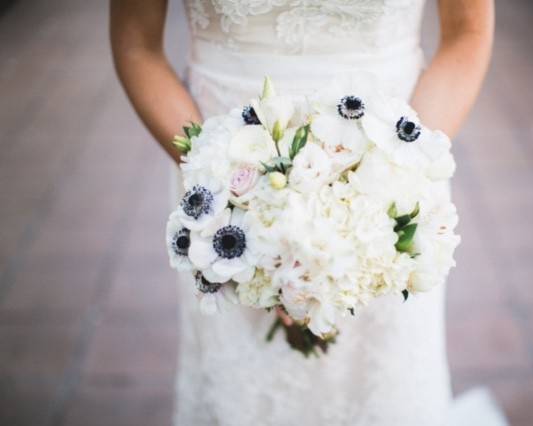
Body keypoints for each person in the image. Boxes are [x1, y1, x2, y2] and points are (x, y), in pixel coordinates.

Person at [110, 1, 496, 425]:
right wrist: (233, 203)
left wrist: (390, 195)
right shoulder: (225, 198)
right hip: (227, 191)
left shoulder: (393, 195)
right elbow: (136, 47)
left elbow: (466, 36)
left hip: (389, 185)